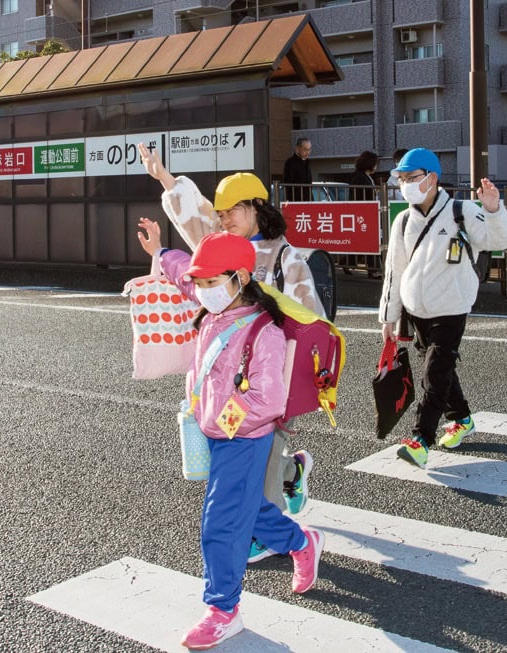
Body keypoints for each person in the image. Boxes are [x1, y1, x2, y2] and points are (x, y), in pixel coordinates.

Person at [133, 230, 324, 649]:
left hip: (242, 436)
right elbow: (185, 272)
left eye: (211, 282)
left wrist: (223, 421)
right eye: (200, 283)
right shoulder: (216, 302)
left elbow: (267, 399)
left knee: (221, 522)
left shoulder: (264, 332)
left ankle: (223, 610)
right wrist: (160, 252)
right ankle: (301, 541)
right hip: (219, 431)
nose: (202, 290)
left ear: (239, 277)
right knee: (251, 510)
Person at [139, 144, 321, 563]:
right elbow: (193, 222)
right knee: (249, 449)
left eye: (231, 211)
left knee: (264, 450)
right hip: (225, 374)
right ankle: (294, 476)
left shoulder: (286, 258)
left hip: (271, 373)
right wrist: (164, 179)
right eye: (220, 214)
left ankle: (271, 532)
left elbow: (311, 321)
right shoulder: (220, 247)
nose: (223, 219)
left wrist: (294, 378)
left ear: (257, 207)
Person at [379, 148, 507, 468]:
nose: (404, 184)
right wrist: (389, 316)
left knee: (434, 373)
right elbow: (394, 271)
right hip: (416, 310)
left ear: (432, 178)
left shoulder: (461, 211)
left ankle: (420, 437)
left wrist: (494, 209)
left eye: (412, 178)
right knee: (440, 369)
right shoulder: (402, 220)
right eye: (401, 179)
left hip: (451, 307)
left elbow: (499, 240)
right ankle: (462, 417)